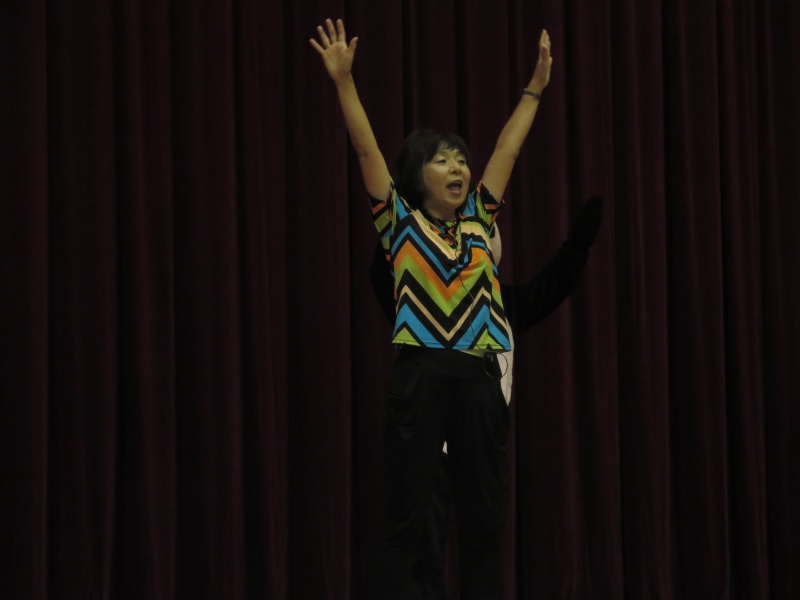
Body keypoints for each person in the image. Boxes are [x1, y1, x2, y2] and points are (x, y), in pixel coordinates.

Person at [311, 18, 553, 599]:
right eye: (442, 161)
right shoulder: (399, 223)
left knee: (483, 522)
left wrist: (534, 90)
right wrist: (344, 82)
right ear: (417, 176)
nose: (458, 168)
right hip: (420, 375)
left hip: (479, 380)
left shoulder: (479, 220)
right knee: (407, 519)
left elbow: (508, 148)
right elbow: (366, 148)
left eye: (460, 161)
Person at [369, 196, 603, 599]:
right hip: (428, 445)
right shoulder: (422, 296)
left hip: (480, 442)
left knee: (483, 542)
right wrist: (402, 227)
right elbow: (380, 277)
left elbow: (554, 285)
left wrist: (578, 244)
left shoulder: (506, 305)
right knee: (421, 551)